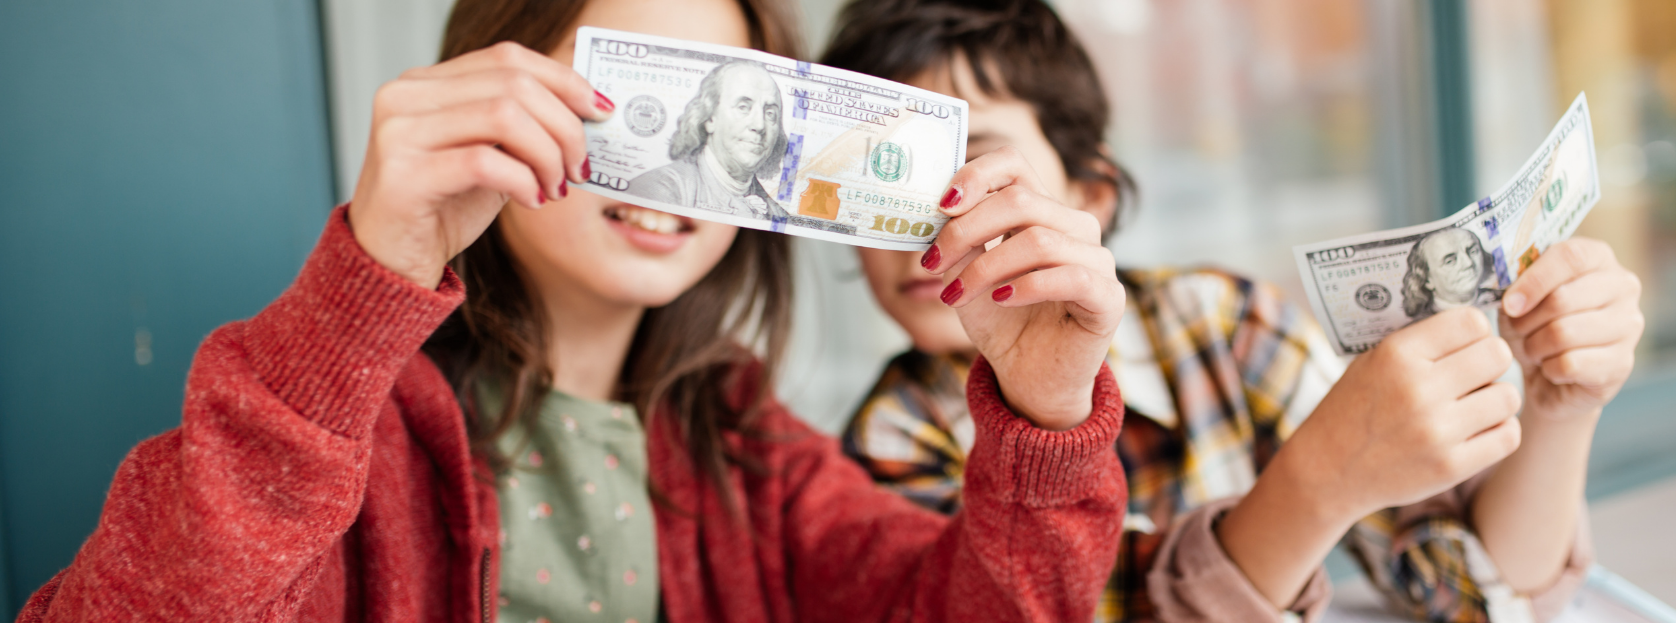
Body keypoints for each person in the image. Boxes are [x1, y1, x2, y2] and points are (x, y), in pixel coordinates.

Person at [13, 0, 1131, 621]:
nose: (683, 156)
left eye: (743, 115)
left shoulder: (748, 449)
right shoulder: (340, 418)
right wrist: (367, 274)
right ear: (487, 96)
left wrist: (1044, 415)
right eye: (631, 104)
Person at [823, 0, 1646, 621]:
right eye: (881, 180)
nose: (930, 223)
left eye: (972, 168)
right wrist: (1319, 480)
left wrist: (1561, 405)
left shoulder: (1220, 322)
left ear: (1092, 194)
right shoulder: (890, 438)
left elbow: (1472, 594)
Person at [627, 59, 791, 221]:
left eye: (770, 114)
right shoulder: (661, 190)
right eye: (743, 107)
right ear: (710, 118)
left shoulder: (778, 216)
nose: (759, 125)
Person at [1403, 227, 1504, 321]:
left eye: (1473, 251)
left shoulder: (1499, 295)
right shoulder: (1416, 323)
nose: (1468, 263)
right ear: (1427, 280)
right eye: (1450, 261)